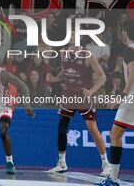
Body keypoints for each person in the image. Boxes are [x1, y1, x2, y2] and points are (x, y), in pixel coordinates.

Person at [47, 32, 109, 176]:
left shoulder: (88, 55)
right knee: (62, 127)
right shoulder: (64, 53)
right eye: (69, 35)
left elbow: (102, 76)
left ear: (80, 37)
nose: (71, 37)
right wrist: (55, 78)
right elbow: (65, 72)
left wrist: (92, 91)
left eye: (74, 35)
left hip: (83, 96)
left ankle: (106, 164)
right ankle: (61, 163)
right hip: (68, 95)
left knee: (92, 129)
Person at [0, 54, 34, 174]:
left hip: (3, 108)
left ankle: (10, 162)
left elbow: (23, 85)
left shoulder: (3, 74)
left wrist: (27, 105)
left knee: (3, 131)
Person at [97, 20, 134, 186]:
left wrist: (122, 96)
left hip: (131, 97)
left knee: (115, 134)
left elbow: (133, 76)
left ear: (126, 32)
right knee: (116, 134)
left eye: (122, 30)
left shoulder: (129, 50)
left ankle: (113, 179)